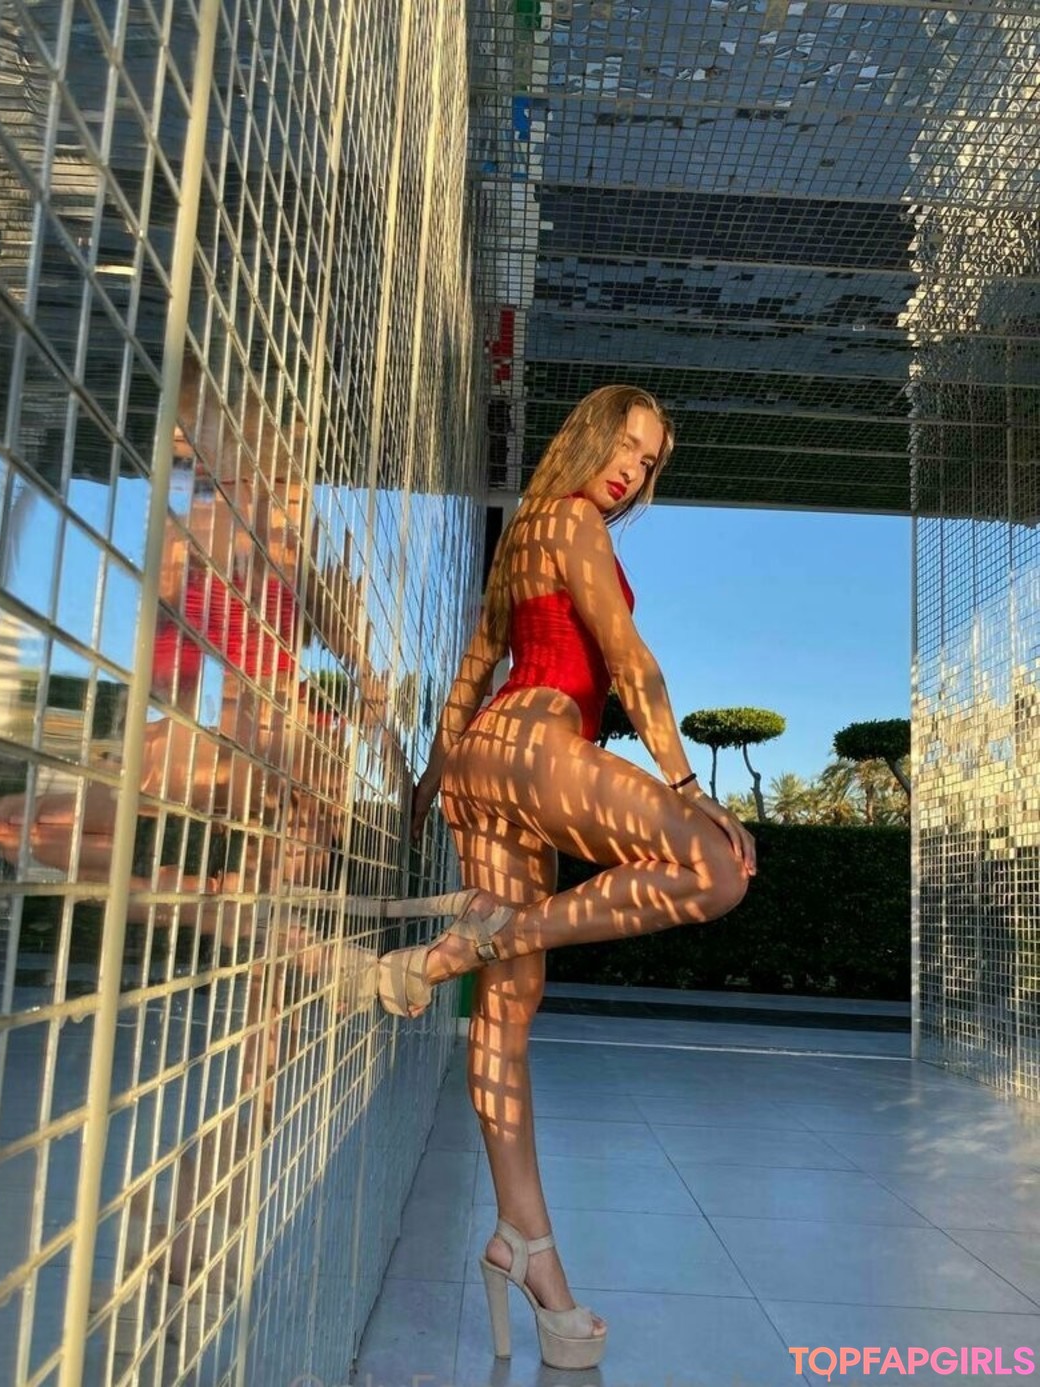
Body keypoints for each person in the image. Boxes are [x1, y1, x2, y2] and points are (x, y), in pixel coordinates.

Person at [373, 385, 757, 1370]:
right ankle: (472, 940)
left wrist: (431, 779)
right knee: (714, 867)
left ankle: (528, 1246)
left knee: (509, 1011)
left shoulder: (524, 536)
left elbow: (473, 664)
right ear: (589, 436)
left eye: (649, 461)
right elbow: (628, 658)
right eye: (625, 444)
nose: (632, 469)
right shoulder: (573, 520)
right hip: (535, 745)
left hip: (484, 765)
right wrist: (688, 783)